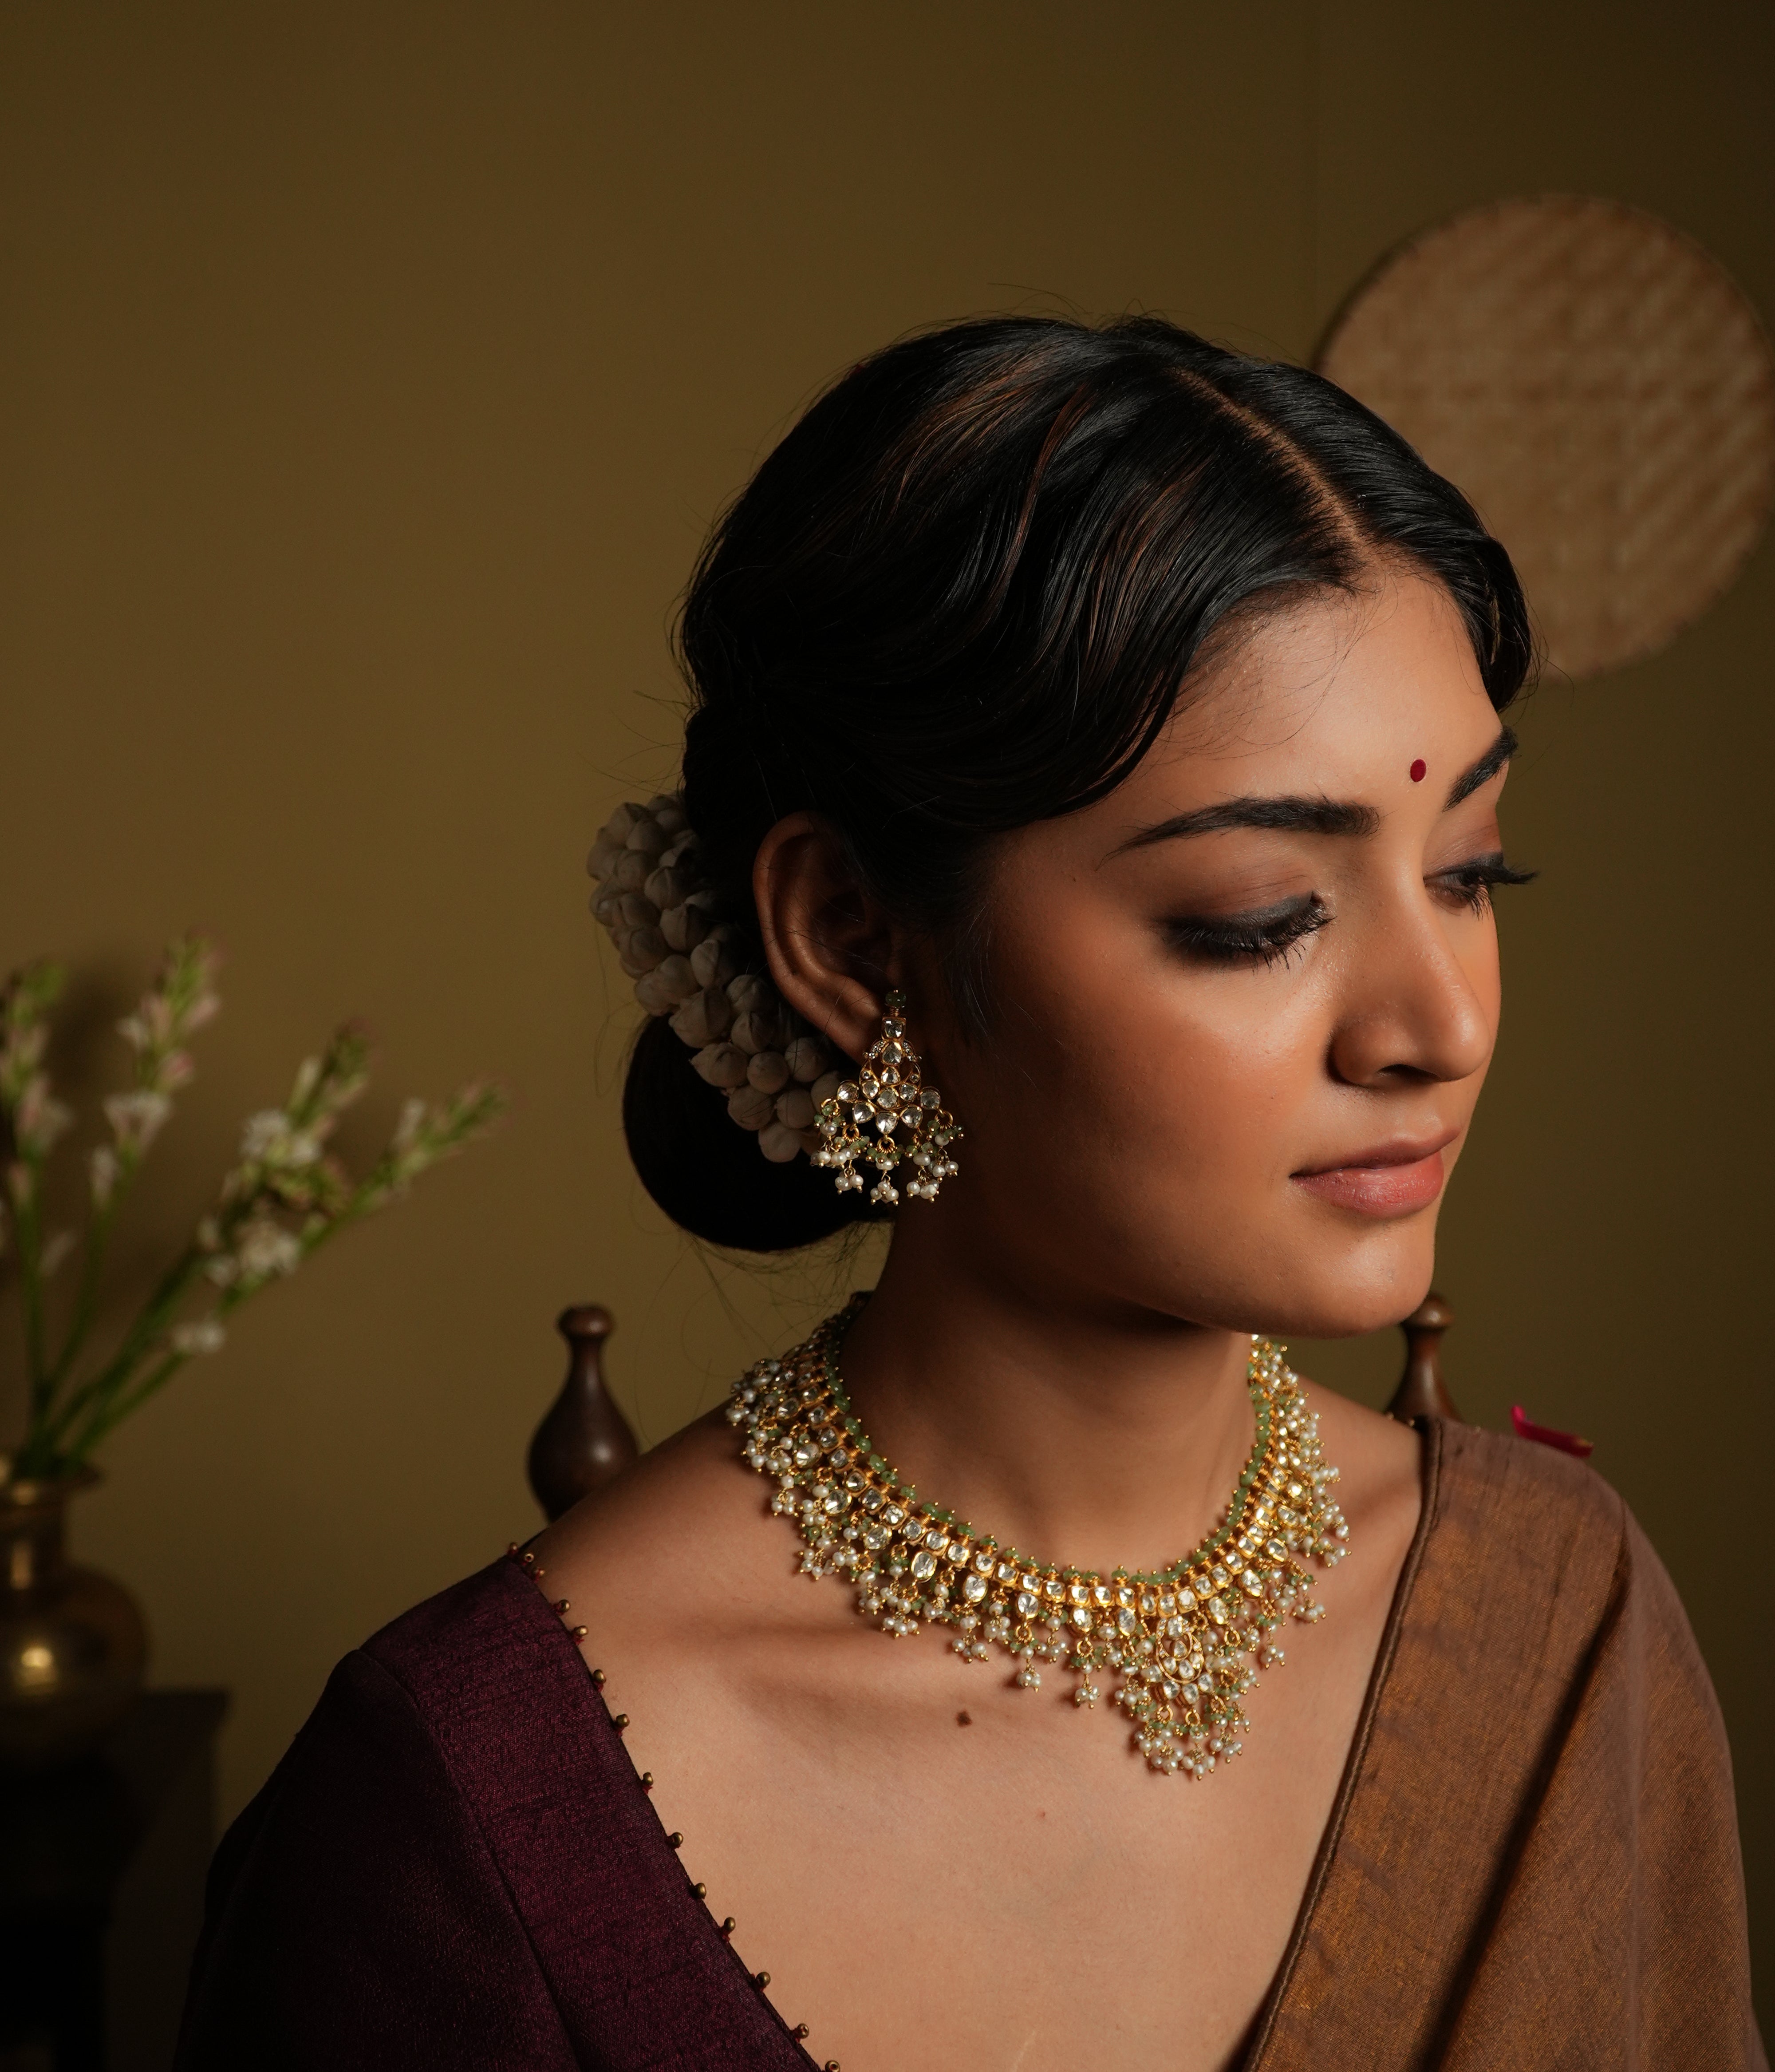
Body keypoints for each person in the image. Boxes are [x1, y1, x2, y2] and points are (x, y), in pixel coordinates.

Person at [175, 316, 1763, 2072]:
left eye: (1471, 872)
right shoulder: (463, 1814)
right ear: (854, 943)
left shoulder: (1558, 1630)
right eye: (1256, 916)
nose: (1441, 1022)